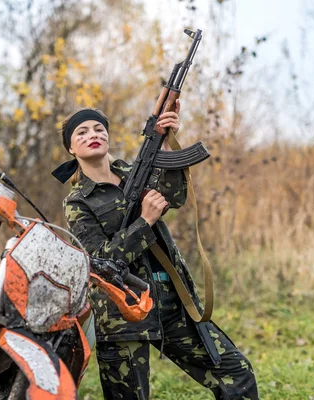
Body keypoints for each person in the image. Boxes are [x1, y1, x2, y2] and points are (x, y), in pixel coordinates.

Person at [51, 103, 259, 400]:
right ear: (71, 148)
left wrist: (166, 141)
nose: (92, 134)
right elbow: (100, 263)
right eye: (81, 132)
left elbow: (173, 196)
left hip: (170, 302)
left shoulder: (132, 172)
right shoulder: (78, 202)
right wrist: (145, 221)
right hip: (123, 314)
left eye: (99, 129)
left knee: (235, 372)